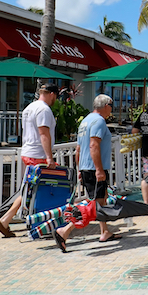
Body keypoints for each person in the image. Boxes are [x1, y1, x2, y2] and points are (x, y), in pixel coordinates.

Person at [54, 95, 120, 252]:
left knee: (100, 201)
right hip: (94, 168)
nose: (112, 108)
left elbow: (78, 149)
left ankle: (104, 232)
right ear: (106, 105)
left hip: (86, 167)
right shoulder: (99, 121)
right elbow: (93, 145)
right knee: (94, 206)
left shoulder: (85, 121)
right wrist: (99, 169)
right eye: (111, 105)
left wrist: (79, 168)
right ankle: (65, 231)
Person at [0, 83, 58, 238]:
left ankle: (8, 220)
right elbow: (43, 134)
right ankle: (7, 219)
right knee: (32, 189)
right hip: (37, 154)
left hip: (27, 151)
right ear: (52, 94)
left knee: (30, 188)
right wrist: (49, 157)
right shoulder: (44, 110)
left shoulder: (29, 108)